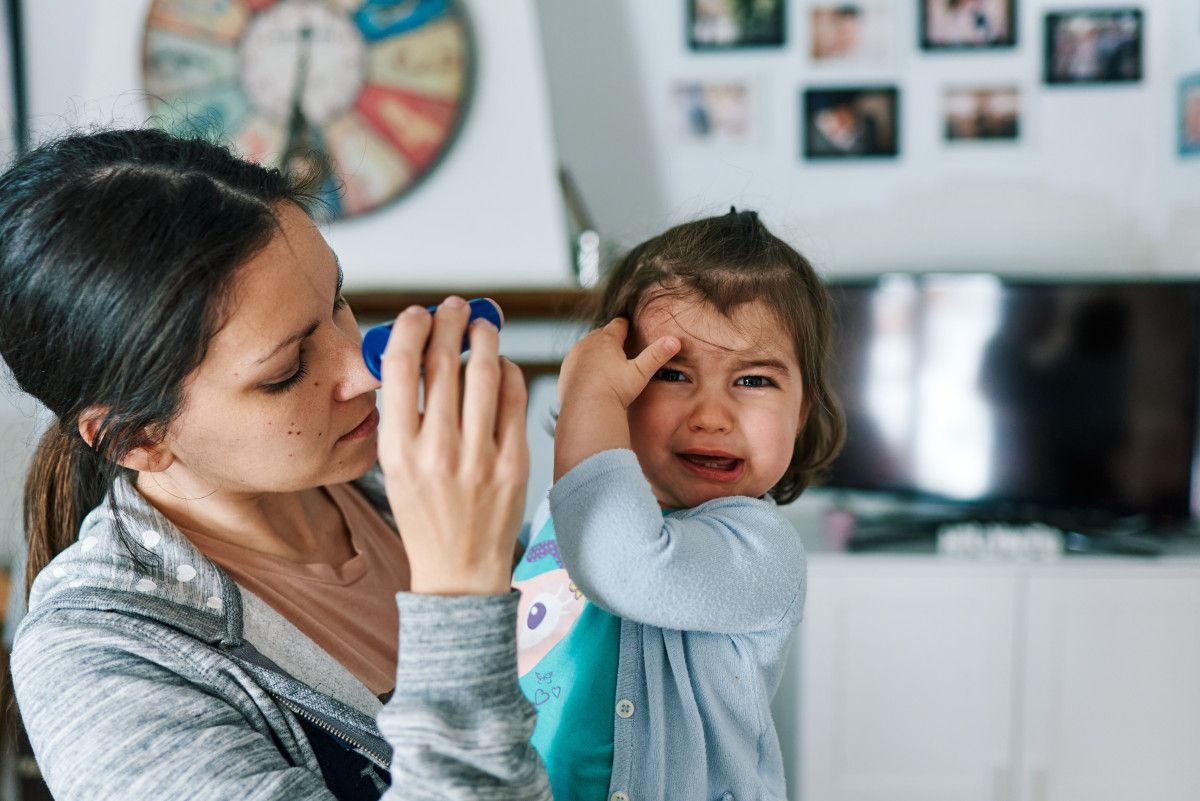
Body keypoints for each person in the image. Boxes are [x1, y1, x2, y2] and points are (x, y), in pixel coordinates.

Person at [0, 128, 549, 800]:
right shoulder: (96, 655)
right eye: (286, 371)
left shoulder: (390, 492)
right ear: (137, 438)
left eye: (338, 303)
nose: (364, 372)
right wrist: (459, 596)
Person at [511, 208, 845, 800]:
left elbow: (627, 567)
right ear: (624, 383)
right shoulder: (564, 508)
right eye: (670, 373)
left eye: (753, 381)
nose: (711, 416)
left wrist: (587, 395)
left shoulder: (761, 550)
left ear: (804, 410)